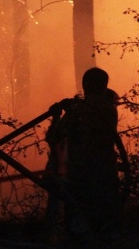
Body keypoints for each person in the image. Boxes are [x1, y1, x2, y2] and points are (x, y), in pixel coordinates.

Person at [45, 67, 121, 241]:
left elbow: (54, 137)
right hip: (97, 176)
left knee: (88, 227)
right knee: (96, 227)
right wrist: (62, 114)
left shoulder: (99, 109)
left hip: (87, 177)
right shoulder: (102, 107)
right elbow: (55, 138)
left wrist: (61, 114)